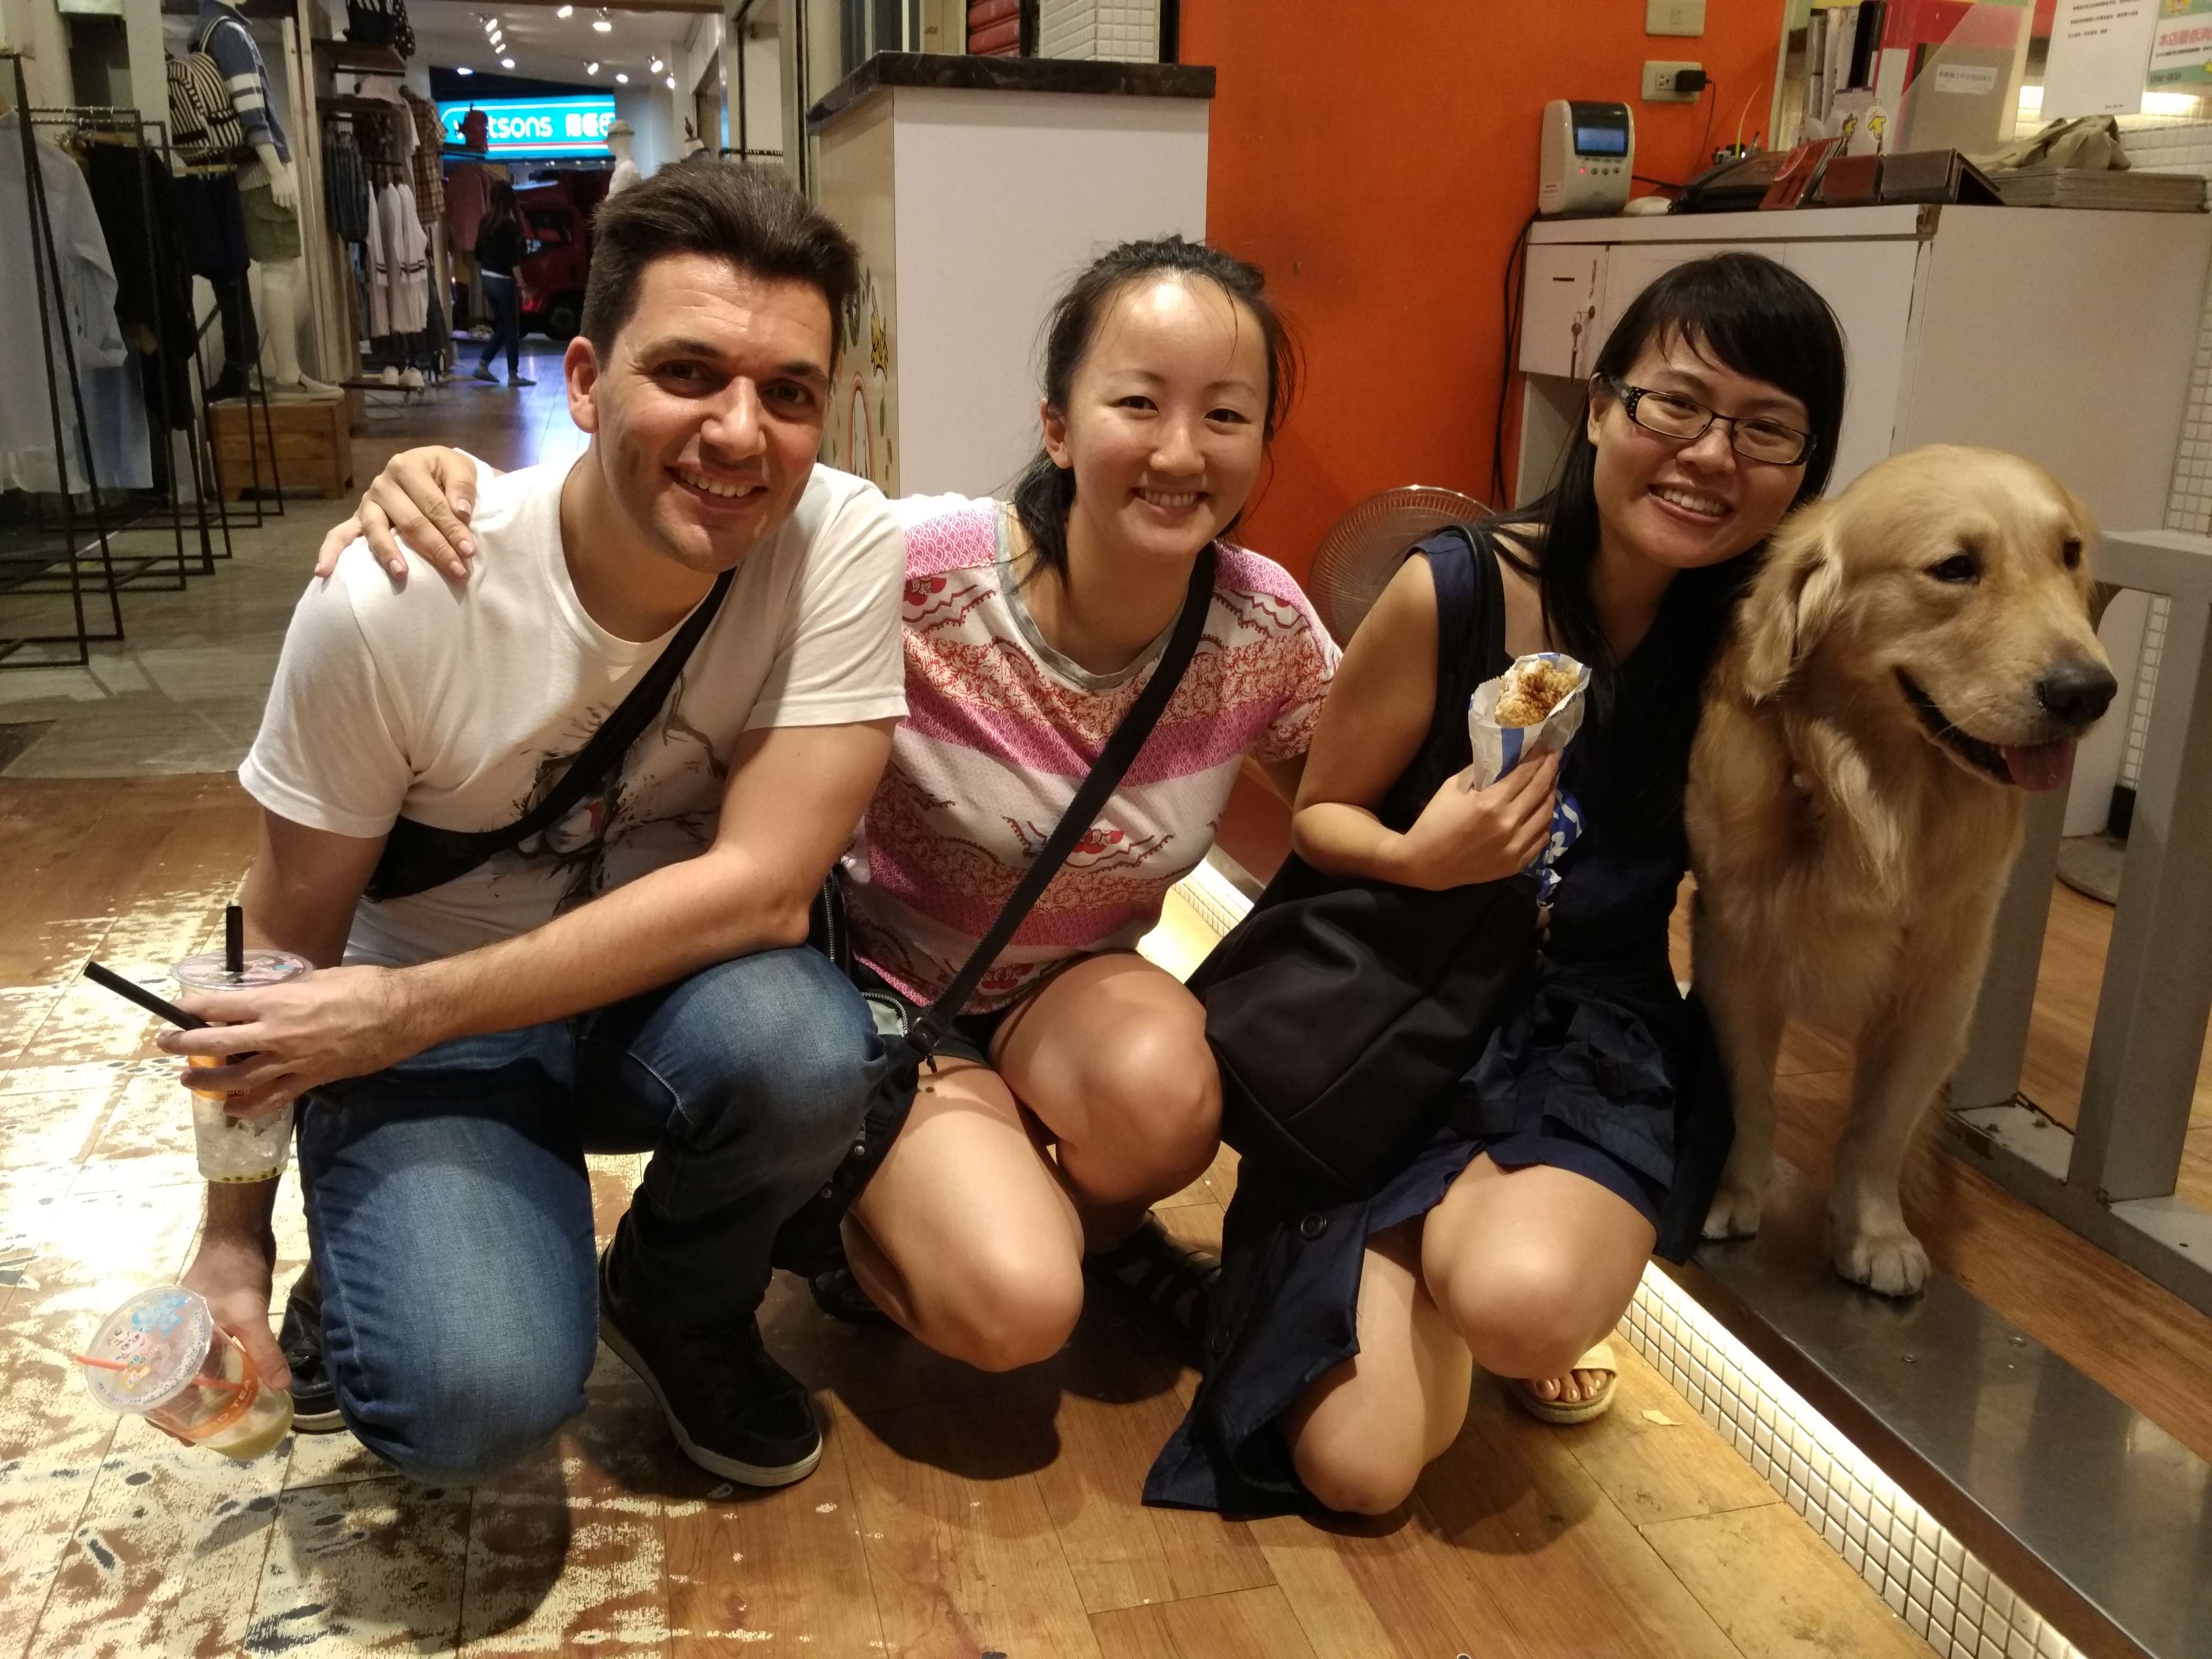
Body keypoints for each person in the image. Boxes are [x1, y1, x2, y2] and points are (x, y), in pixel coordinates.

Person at [319, 237, 1336, 1376]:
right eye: (1138, 404)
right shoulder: (917, 569)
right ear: (1057, 426)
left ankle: (1082, 1231)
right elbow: (696, 515)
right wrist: (453, 490)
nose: (1179, 452)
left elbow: (1354, 795)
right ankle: (839, 1212)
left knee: (1168, 1100)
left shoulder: (1265, 627)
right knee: (1016, 1306)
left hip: (1067, 986)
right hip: (878, 989)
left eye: (1225, 415)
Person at [169, 161, 908, 1492]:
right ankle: (384, 1234)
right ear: (584, 380)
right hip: (418, 1035)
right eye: (687, 373)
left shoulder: (839, 540)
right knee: (474, 1403)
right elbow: (281, 934)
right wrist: (233, 1239)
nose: (740, 433)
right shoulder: (398, 597)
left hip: (637, 1001)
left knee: (807, 1043)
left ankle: (677, 1300)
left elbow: (763, 889)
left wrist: (403, 1010)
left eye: (789, 392)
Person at [1145, 251, 1848, 1517]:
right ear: (1602, 406)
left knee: (1521, 1304)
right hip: (1391, 1011)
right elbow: (1322, 815)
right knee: (1357, 1471)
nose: (1708, 454)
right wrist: (1420, 855)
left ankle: (1488, 1259)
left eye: (1765, 429)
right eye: (1676, 403)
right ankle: (1424, 1235)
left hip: (1588, 1021)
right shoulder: (1455, 584)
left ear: (1806, 467)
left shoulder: (1760, 638)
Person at [472, 181, 530, 387]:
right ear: (510, 200)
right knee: (511, 328)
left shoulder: (485, 221)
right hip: (503, 281)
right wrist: (523, 287)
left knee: (504, 326)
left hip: (487, 277)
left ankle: (483, 365)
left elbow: (478, 253)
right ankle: (512, 375)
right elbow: (513, 260)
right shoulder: (509, 226)